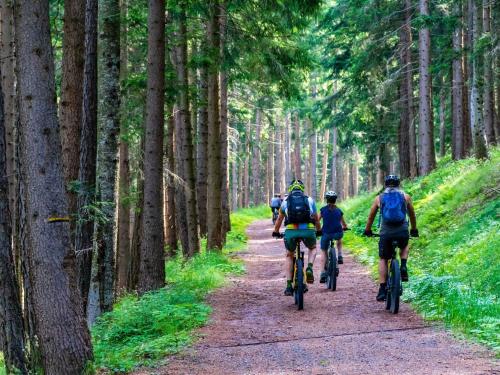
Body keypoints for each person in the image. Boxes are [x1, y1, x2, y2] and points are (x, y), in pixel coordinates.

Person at [364, 175, 419, 302]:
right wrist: (414, 229)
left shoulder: (379, 198)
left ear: (386, 185)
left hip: (386, 232)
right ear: (399, 184)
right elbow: (412, 215)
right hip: (402, 231)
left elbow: (371, 216)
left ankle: (382, 289)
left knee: (383, 258)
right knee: (404, 245)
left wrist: (367, 230)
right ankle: (403, 265)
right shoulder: (405, 197)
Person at [272, 179, 322, 296]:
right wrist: (319, 230)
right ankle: (309, 267)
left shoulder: (285, 201)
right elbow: (315, 217)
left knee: (289, 254)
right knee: (313, 248)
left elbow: (279, 219)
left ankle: (289, 285)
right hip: (308, 231)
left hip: (291, 231)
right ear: (302, 189)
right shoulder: (309, 200)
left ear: (290, 189)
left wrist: (275, 231)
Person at [318, 191, 348, 283]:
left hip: (326, 233)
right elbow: (343, 223)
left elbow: (317, 221)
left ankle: (323, 272)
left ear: (327, 200)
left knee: (323, 251)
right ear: (335, 200)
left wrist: (317, 230)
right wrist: (345, 227)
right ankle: (339, 254)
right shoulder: (339, 211)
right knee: (339, 238)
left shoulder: (322, 210)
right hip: (337, 233)